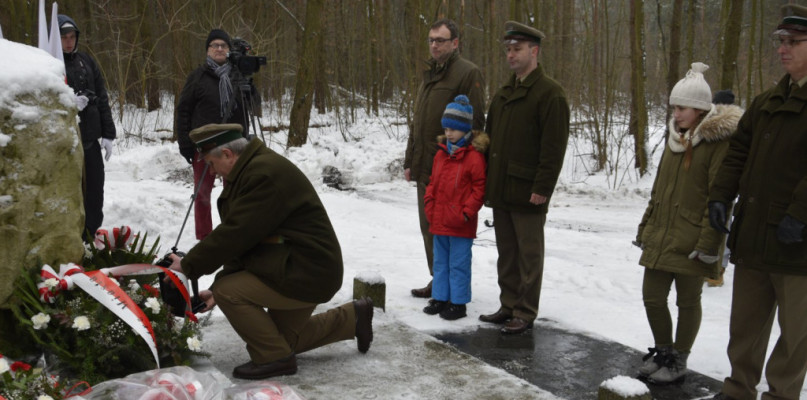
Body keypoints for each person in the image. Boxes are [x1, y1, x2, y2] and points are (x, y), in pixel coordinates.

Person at [167, 123, 373, 380]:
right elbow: (246, 238)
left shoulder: (263, 175)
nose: (211, 171)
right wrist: (218, 281)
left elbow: (236, 233)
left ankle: (274, 360)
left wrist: (190, 266)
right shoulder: (252, 169)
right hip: (296, 264)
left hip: (306, 271)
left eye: (210, 163)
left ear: (228, 155)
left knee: (231, 294)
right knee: (282, 340)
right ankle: (352, 318)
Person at [708, 4, 807, 400]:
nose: (783, 49)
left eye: (793, 42)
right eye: (780, 42)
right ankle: (737, 391)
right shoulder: (766, 102)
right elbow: (737, 154)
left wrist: (800, 214)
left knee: (797, 333)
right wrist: (719, 195)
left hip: (798, 243)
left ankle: (782, 395)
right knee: (745, 327)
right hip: (753, 236)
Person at [634, 62, 742, 384]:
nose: (676, 113)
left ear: (698, 109)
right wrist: (645, 228)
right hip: (662, 233)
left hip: (693, 237)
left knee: (687, 301)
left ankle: (679, 359)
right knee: (652, 296)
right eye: (675, 107)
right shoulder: (673, 140)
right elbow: (658, 192)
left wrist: (709, 243)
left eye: (681, 108)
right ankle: (665, 352)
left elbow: (718, 197)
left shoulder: (716, 145)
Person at [478, 21, 569, 335]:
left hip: (528, 189)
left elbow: (553, 147)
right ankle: (508, 304)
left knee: (529, 255)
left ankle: (525, 311)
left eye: (517, 49)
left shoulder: (550, 94)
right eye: (508, 50)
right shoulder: (504, 93)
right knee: (507, 252)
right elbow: (490, 141)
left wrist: (543, 187)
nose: (511, 55)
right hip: (502, 188)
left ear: (535, 51)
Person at [404, 19, 485, 299]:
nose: (434, 45)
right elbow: (419, 121)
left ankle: (453, 287)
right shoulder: (430, 74)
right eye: (431, 40)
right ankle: (438, 280)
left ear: (455, 43)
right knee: (430, 227)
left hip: (452, 168)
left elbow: (475, 123)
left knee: (452, 231)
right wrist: (409, 160)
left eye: (440, 40)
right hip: (426, 165)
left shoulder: (467, 72)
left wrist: (464, 165)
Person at [175, 28, 253, 241]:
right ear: (208, 50)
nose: (219, 49)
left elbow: (251, 108)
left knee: (234, 193)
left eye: (223, 45)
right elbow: (183, 111)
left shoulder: (237, 76)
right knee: (202, 195)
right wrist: (185, 143)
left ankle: (233, 234)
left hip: (234, 146)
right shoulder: (197, 77)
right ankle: (205, 238)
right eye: (215, 45)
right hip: (204, 146)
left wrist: (249, 85)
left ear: (229, 50)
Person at [422, 95, 488, 320]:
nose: (449, 133)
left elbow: (479, 189)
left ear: (465, 130)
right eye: (446, 128)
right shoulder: (441, 154)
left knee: (458, 263)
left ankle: (458, 303)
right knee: (440, 261)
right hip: (439, 219)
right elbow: (432, 183)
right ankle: (441, 297)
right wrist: (429, 205)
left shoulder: (474, 157)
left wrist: (467, 212)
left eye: (453, 129)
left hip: (460, 222)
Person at [59, 14, 116, 242]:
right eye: (64, 37)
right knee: (73, 194)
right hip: (67, 146)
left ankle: (90, 235)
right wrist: (69, 103)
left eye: (72, 37)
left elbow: (102, 97)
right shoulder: (49, 63)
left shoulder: (87, 61)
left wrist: (109, 134)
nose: (69, 42)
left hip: (91, 139)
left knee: (95, 191)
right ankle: (72, 239)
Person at [704, 88, 737, 288]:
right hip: (725, 184)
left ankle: (716, 270)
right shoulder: (738, 124)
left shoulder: (708, 123)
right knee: (721, 224)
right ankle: (716, 270)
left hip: (721, 183)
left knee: (718, 225)